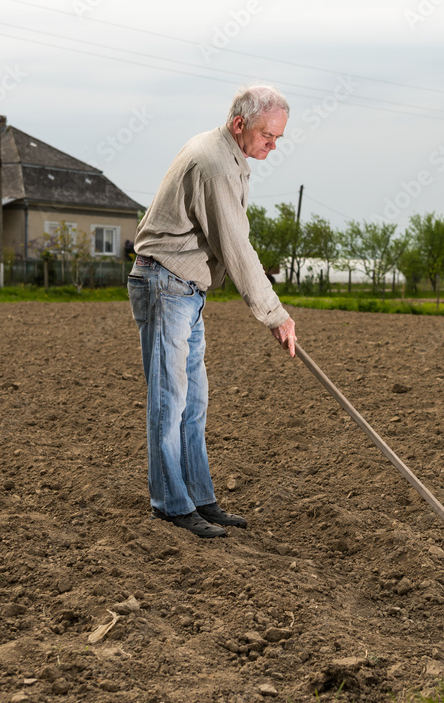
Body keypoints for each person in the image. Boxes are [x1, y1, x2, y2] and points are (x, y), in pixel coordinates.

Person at [127, 85, 297, 538]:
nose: (273, 145)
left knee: (193, 401)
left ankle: (199, 498)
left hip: (187, 289)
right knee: (170, 399)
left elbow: (234, 239)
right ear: (240, 124)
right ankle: (170, 503)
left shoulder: (231, 156)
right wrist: (275, 315)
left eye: (279, 138)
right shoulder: (215, 162)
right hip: (166, 285)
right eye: (268, 135)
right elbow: (236, 246)